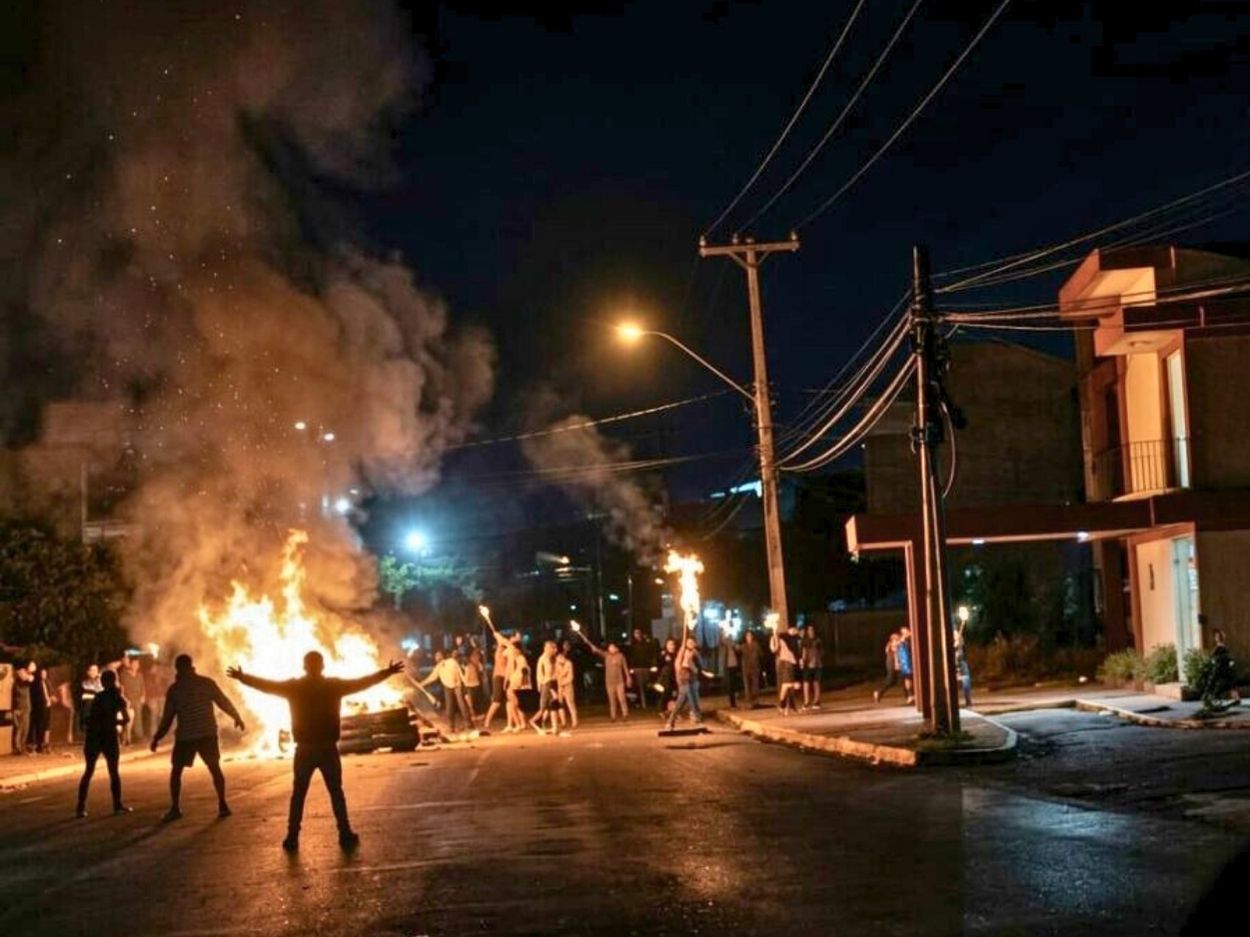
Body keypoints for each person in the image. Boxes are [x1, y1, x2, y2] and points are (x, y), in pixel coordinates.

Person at [228, 653, 403, 851]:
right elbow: (363, 683)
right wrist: (387, 672)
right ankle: (344, 832)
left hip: (305, 749)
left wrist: (243, 678)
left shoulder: (294, 687)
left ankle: (292, 837)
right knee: (336, 792)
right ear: (322, 666)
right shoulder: (333, 686)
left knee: (299, 795)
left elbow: (267, 686)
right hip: (327, 748)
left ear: (304, 667)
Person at [150, 654, 246, 822]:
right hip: (207, 733)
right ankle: (223, 804)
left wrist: (157, 737)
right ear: (191, 666)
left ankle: (175, 808)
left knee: (177, 771)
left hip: (186, 736)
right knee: (214, 768)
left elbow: (168, 718)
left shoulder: (175, 689)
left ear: (177, 668)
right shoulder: (205, 683)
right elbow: (222, 701)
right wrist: (236, 716)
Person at [75, 669, 131, 818]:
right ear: (115, 680)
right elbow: (126, 719)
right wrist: (114, 721)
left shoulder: (98, 697)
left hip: (93, 736)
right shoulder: (118, 697)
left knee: (89, 771)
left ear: (102, 682)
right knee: (113, 772)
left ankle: (80, 807)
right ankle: (117, 805)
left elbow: (89, 716)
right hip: (109, 736)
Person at [579, 633, 632, 721]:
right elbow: (596, 649)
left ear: (616, 648)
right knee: (612, 700)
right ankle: (613, 716)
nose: (610, 648)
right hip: (609, 682)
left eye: (612, 647)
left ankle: (625, 714)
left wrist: (628, 677)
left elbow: (625, 667)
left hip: (619, 681)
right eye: (609, 647)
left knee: (622, 699)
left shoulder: (620, 656)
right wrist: (587, 642)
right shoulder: (606, 655)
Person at [418, 649, 473, 733]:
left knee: (462, 704)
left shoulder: (451, 661)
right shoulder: (438, 667)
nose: (437, 657)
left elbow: (459, 672)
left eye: (438, 655)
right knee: (449, 706)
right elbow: (432, 677)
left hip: (457, 685)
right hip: (448, 686)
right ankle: (451, 726)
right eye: (436, 656)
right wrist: (422, 684)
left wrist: (462, 682)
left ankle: (468, 724)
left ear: (442, 656)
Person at [666, 636, 708, 729]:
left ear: (695, 644)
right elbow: (680, 665)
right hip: (683, 678)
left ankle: (670, 721)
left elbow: (700, 665)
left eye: (692, 642)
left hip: (692, 679)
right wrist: (681, 676)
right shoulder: (683, 651)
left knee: (681, 701)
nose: (690, 644)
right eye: (688, 642)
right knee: (691, 698)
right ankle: (697, 719)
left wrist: (700, 670)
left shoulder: (695, 652)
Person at [770, 623, 801, 715]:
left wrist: (799, 660)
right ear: (789, 629)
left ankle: (786, 706)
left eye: (795, 630)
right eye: (793, 629)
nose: (794, 631)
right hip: (785, 663)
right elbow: (774, 649)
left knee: (787, 686)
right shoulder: (781, 637)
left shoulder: (794, 639)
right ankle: (782, 706)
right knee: (786, 685)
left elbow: (796, 652)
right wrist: (775, 635)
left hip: (790, 663)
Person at [530, 641, 560, 735]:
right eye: (553, 648)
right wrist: (545, 687)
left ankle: (555, 727)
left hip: (551, 683)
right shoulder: (543, 659)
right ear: (547, 648)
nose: (555, 650)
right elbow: (541, 675)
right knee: (543, 708)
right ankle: (534, 721)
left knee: (553, 705)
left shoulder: (551, 658)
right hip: (547, 684)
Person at [626, 628, 658, 708]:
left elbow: (651, 655)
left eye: (638, 633)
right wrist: (631, 668)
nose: (637, 635)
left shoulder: (647, 644)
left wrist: (652, 665)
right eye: (635, 633)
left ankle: (648, 702)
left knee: (647, 685)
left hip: (646, 667)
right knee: (639, 686)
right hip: (637, 668)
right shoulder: (632, 645)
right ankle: (642, 703)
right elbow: (630, 657)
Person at [504, 635, 530, 733]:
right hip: (514, 681)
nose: (512, 651)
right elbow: (505, 654)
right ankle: (519, 724)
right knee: (513, 704)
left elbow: (524, 672)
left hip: (518, 682)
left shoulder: (521, 658)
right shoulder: (514, 658)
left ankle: (518, 724)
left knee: (512, 704)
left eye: (514, 649)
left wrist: (521, 683)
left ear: (518, 650)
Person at [118, 656, 146, 744]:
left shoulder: (140, 675)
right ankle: (126, 738)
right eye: (134, 664)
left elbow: (143, 686)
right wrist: (124, 699)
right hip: (128, 700)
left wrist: (143, 696)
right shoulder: (124, 674)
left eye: (137, 664)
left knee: (138, 719)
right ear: (130, 664)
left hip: (138, 700)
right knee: (127, 720)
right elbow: (122, 688)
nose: (136, 666)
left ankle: (139, 737)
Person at [554, 644, 579, 730]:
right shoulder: (556, 664)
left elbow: (571, 677)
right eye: (558, 658)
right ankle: (563, 722)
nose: (559, 659)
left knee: (570, 704)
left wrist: (563, 682)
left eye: (561, 657)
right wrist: (559, 682)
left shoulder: (569, 663)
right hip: (560, 687)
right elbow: (556, 675)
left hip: (568, 686)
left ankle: (575, 722)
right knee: (560, 704)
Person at [873, 632, 903, 703]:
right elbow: (893, 648)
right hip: (891, 664)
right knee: (890, 680)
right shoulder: (891, 646)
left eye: (898, 639)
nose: (898, 640)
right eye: (896, 639)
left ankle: (878, 692)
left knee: (893, 681)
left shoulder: (896, 645)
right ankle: (878, 692)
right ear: (892, 640)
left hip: (895, 664)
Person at [28, 663, 51, 754]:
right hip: (40, 707)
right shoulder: (36, 683)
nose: (44, 675)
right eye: (42, 673)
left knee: (46, 726)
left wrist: (50, 699)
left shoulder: (47, 682)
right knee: (39, 726)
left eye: (45, 673)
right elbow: (37, 696)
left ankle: (44, 744)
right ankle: (39, 745)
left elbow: (48, 693)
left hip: (48, 706)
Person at [11, 662, 33, 756]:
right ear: (20, 675)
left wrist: (29, 672)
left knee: (25, 728)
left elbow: (31, 679)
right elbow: (14, 698)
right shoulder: (17, 684)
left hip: (27, 708)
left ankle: (22, 746)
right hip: (20, 708)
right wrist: (15, 709)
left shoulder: (25, 683)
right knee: (20, 728)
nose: (25, 675)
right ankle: (17, 747)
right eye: (23, 674)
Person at [654, 637, 679, 717]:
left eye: (673, 644)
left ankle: (672, 711)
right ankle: (661, 711)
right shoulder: (663, 654)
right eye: (669, 644)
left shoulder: (677, 654)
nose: (671, 646)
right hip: (664, 679)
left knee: (673, 695)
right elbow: (658, 665)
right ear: (666, 645)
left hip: (674, 678)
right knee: (663, 695)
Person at [801, 624, 824, 710]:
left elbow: (821, 652)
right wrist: (802, 661)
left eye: (812, 630)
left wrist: (815, 660)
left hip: (817, 664)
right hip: (807, 664)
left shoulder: (818, 640)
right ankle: (806, 702)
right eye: (809, 630)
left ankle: (817, 701)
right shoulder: (804, 641)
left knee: (816, 683)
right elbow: (803, 652)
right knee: (806, 683)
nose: (811, 632)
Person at [463, 647, 486, 724]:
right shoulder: (470, 664)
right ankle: (475, 716)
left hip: (474, 684)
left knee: (474, 702)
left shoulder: (475, 664)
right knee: (473, 702)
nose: (477, 657)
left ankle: (476, 716)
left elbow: (480, 671)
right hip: (472, 685)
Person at [79, 664, 104, 736]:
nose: (94, 672)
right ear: (88, 672)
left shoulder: (101, 682)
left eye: (95, 670)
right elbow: (85, 696)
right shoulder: (84, 683)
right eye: (92, 670)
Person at [953, 620, 973, 708]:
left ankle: (968, 701)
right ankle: (953, 703)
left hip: (961, 662)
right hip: (953, 663)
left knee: (966, 680)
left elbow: (961, 644)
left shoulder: (960, 638)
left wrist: (959, 642)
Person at [740, 631, 763, 708]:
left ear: (752, 637)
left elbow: (761, 654)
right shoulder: (743, 646)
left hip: (755, 667)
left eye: (750, 635)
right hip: (746, 668)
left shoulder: (756, 645)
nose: (749, 637)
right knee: (747, 685)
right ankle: (748, 701)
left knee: (755, 685)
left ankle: (755, 701)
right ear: (745, 637)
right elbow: (736, 649)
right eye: (747, 636)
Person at [721, 628, 741, 709]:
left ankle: (734, 701)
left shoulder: (733, 641)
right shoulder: (724, 642)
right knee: (730, 685)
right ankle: (732, 703)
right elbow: (722, 641)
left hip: (734, 665)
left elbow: (738, 649)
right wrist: (724, 634)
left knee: (734, 683)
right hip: (728, 666)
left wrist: (736, 645)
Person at [897, 626, 915, 704]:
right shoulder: (902, 641)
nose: (908, 632)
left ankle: (910, 695)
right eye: (906, 631)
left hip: (907, 662)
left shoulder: (906, 641)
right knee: (908, 679)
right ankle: (910, 695)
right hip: (906, 664)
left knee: (909, 679)